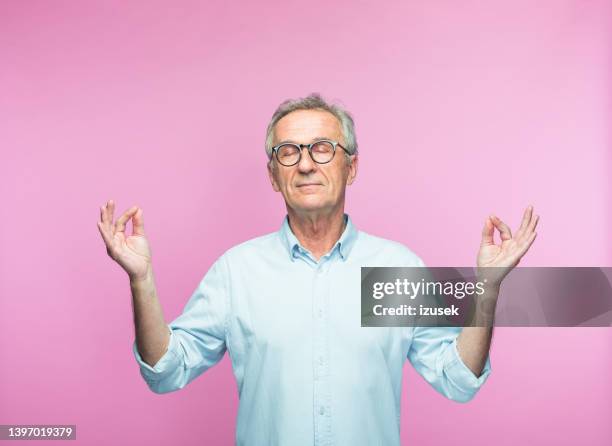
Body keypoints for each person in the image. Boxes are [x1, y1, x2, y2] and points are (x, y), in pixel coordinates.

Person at [97, 93, 539, 445]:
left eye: (322, 149)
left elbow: (457, 380)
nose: (305, 163)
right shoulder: (238, 271)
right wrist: (141, 279)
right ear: (273, 175)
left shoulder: (395, 268)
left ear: (352, 167)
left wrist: (487, 290)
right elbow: (165, 371)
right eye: (288, 152)